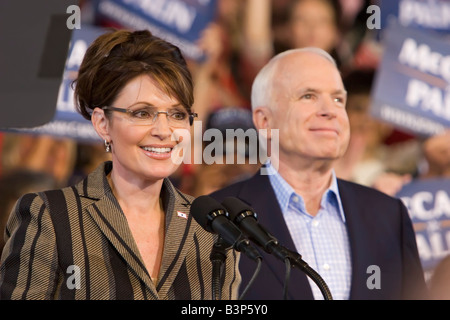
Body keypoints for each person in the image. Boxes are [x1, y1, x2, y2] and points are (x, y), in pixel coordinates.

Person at [0, 29, 240, 300]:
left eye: (177, 114)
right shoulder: (49, 217)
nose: (164, 130)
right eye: (142, 113)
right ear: (103, 123)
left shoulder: (213, 231)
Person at [210, 47, 427, 300]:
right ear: (265, 121)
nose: (330, 110)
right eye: (308, 96)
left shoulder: (390, 215)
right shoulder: (215, 221)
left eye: (338, 99)